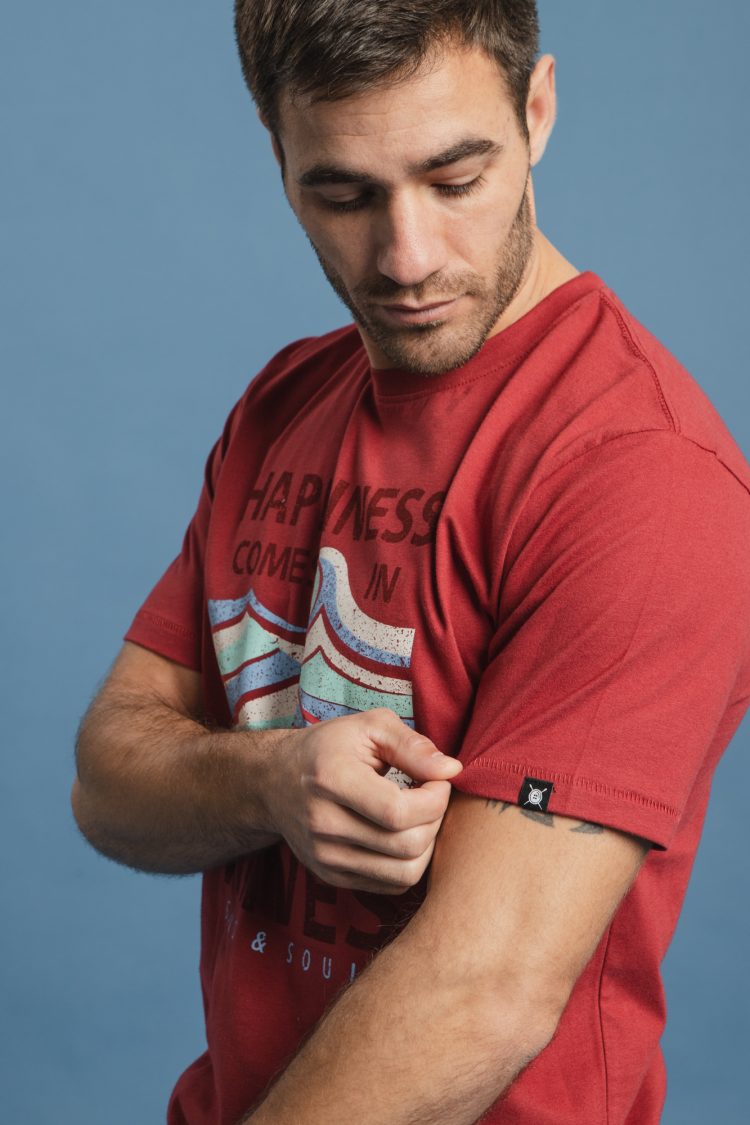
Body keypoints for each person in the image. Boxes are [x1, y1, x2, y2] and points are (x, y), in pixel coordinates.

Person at [71, 2, 750, 1123]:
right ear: (277, 150)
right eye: (344, 194)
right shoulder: (285, 402)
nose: (407, 258)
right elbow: (107, 784)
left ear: (537, 110)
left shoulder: (643, 474)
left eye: (455, 178)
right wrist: (273, 779)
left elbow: (486, 990)